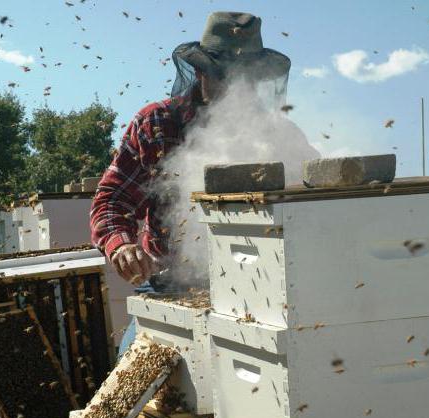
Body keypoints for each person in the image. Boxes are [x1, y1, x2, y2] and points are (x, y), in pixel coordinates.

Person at [89, 11, 292, 353]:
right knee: (134, 380)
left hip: (258, 292)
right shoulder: (156, 123)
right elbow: (111, 199)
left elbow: (313, 196)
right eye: (223, 77)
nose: (234, 89)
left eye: (244, 79)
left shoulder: (278, 134)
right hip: (172, 286)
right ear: (200, 72)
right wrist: (122, 244)